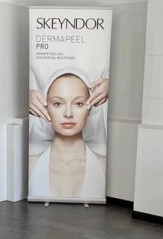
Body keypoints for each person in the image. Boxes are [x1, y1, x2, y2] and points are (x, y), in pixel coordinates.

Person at [28, 71, 106, 200]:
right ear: (46, 108)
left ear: (89, 109)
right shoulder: (31, 166)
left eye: (79, 103)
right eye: (58, 104)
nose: (68, 114)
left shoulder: (103, 166)